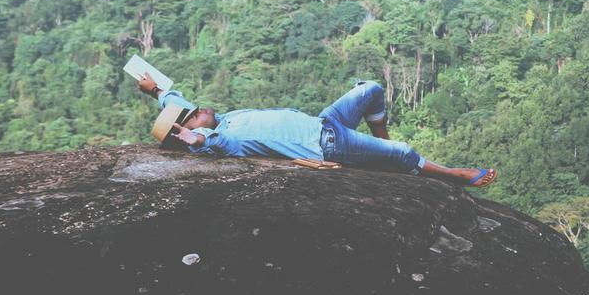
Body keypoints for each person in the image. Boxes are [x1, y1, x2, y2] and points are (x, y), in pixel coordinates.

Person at [137, 73, 495, 188]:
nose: (200, 109)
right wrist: (192, 140)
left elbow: (176, 101)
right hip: (326, 144)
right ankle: (454, 175)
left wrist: (157, 91)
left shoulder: (224, 118)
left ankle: (378, 144)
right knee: (403, 153)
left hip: (325, 122)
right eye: (194, 115)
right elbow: (206, 142)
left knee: (369, 88)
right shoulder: (224, 138)